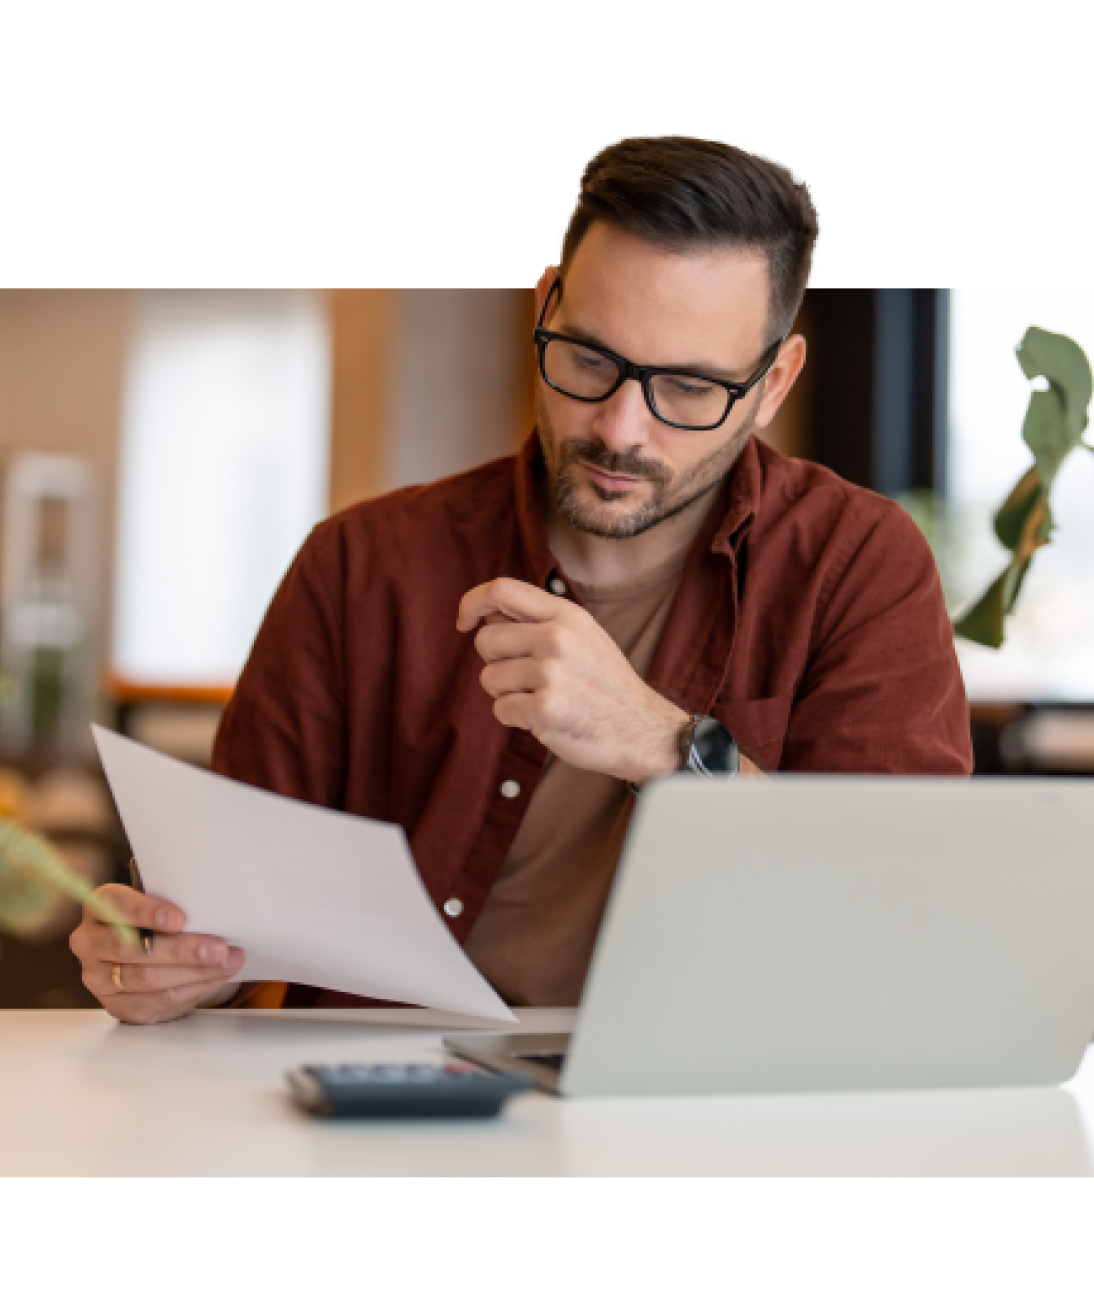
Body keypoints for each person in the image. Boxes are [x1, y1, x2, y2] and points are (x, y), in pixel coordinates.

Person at [71, 136, 973, 1024]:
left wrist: (662, 746)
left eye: (690, 389)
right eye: (589, 359)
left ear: (774, 383)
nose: (621, 429)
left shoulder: (858, 563)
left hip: (704, 1106)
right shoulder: (358, 564)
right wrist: (170, 968)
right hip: (384, 1111)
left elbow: (899, 917)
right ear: (546, 306)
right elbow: (229, 920)